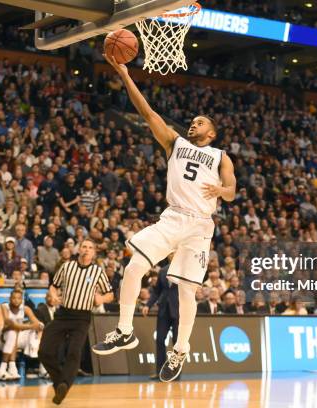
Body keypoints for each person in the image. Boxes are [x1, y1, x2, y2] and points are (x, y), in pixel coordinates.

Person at [91, 54, 236, 383]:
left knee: (186, 292)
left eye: (200, 123)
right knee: (133, 267)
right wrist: (125, 74)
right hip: (172, 218)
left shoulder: (221, 156)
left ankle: (181, 349)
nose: (193, 124)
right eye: (193, 121)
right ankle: (124, 330)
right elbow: (146, 111)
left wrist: (222, 191)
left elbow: (232, 191)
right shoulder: (174, 142)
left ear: (212, 133)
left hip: (200, 226)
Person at [39, 239, 113, 405]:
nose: (87, 250)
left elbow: (110, 294)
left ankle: (64, 384)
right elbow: (54, 285)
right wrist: (53, 295)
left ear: (94, 253)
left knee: (74, 352)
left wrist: (101, 298)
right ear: (79, 250)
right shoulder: (67, 266)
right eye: (84, 247)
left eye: (90, 248)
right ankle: (60, 383)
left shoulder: (97, 272)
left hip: (82, 318)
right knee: (44, 351)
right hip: (62, 314)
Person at [0, 289, 43, 381]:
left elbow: (36, 323)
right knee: (13, 332)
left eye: (19, 298)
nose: (16, 300)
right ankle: (9, 367)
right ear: (10, 298)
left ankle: (42, 367)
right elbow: (10, 325)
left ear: (22, 300)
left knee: (36, 332)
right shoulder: (4, 307)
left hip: (17, 335)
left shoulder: (25, 308)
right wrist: (30, 325)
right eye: (14, 298)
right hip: (2, 335)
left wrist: (38, 326)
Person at [142, 263, 179, 380]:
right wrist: (148, 305)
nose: (173, 255)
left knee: (177, 343)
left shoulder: (185, 269)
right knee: (160, 340)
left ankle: (174, 372)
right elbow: (157, 291)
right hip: (164, 310)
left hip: (179, 310)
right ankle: (159, 372)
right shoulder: (163, 270)